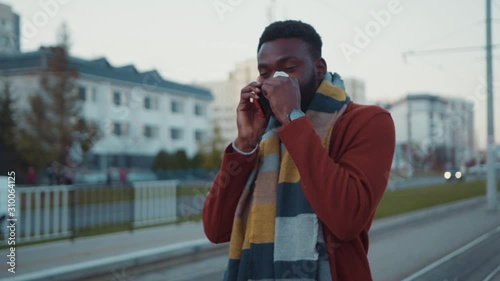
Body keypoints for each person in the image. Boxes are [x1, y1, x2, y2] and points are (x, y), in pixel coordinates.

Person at [202, 20, 395, 281]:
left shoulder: (367, 121)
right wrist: (245, 143)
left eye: (289, 69)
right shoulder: (263, 132)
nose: (276, 81)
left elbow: (347, 219)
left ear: (319, 69)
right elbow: (216, 229)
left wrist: (293, 120)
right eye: (265, 72)